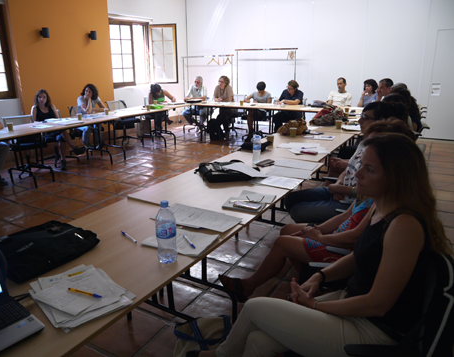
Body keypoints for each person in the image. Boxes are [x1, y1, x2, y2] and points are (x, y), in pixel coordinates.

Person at [191, 133, 452, 357]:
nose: (357, 173)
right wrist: (320, 275)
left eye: (369, 170)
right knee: (259, 340)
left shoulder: (404, 225)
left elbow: (378, 304)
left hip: (374, 331)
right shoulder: (382, 207)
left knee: (255, 307)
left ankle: (218, 355)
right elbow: (360, 255)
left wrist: (315, 305)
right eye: (362, 165)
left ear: (397, 177)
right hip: (354, 304)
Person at [219, 196, 374, 302]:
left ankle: (248, 287)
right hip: (335, 236)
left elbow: (354, 237)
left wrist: (319, 237)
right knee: (288, 229)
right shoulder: (367, 193)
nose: (358, 173)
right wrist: (316, 230)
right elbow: (344, 217)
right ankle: (309, 284)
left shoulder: (377, 203)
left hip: (340, 249)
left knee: (283, 244)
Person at [284, 101, 406, 224]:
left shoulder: (381, 151)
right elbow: (350, 168)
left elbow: (370, 193)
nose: (359, 121)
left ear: (380, 121)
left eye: (365, 117)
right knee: (290, 199)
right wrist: (339, 182)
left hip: (350, 202)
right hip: (341, 191)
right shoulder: (366, 141)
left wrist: (339, 189)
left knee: (297, 211)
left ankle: (327, 228)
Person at [31, 89, 85, 170]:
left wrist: (54, 122)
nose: (42, 99)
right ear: (37, 98)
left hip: (56, 129)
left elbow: (59, 119)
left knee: (61, 136)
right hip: (45, 132)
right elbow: (32, 122)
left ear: (47, 99)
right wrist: (43, 123)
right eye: (40, 97)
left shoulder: (52, 107)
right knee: (62, 132)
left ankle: (63, 161)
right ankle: (74, 148)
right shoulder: (35, 108)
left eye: (44, 97)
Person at [213, 75, 236, 140]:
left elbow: (229, 100)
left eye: (222, 82)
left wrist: (221, 100)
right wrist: (217, 100)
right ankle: (225, 130)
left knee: (222, 115)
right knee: (223, 114)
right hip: (222, 108)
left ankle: (218, 128)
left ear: (226, 83)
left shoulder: (228, 87)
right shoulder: (217, 87)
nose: (220, 83)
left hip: (231, 108)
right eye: (219, 81)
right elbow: (215, 97)